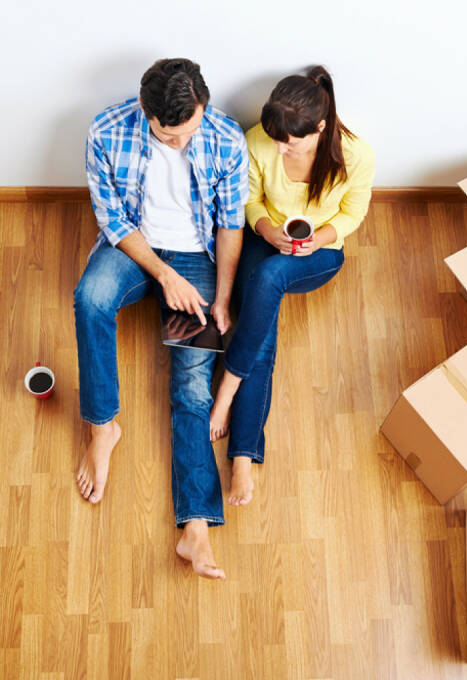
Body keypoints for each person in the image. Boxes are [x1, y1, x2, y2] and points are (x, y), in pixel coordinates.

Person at [73, 58, 248, 579]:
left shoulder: (224, 137)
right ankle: (102, 428)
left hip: (197, 260)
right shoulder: (106, 131)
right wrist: (162, 275)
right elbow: (114, 220)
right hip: (135, 248)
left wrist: (221, 296)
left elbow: (230, 224)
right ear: (145, 112)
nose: (180, 144)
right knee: (90, 298)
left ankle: (194, 527)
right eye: (168, 136)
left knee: (192, 383)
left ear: (203, 107)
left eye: (188, 132)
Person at [208, 66, 374, 505]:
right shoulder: (257, 142)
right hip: (268, 240)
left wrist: (316, 239)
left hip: (318, 252)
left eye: (292, 142)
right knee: (262, 319)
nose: (281, 148)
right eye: (276, 139)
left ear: (321, 128)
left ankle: (227, 387)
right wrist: (265, 231)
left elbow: (352, 216)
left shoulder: (355, 156)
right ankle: (243, 454)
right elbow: (248, 199)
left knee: (268, 279)